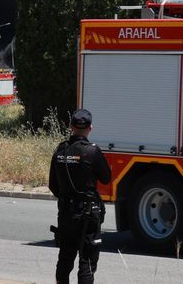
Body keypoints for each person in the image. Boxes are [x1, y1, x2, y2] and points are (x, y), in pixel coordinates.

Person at [48, 108, 112, 284]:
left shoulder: (60, 150)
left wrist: (67, 197)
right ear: (90, 128)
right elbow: (106, 178)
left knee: (65, 259)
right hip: (87, 215)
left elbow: (53, 185)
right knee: (87, 262)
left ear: (71, 127)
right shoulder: (92, 151)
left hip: (66, 213)